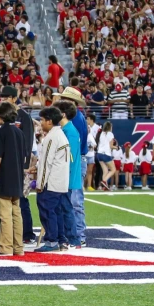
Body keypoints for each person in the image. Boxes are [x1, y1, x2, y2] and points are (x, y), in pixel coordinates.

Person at [0, 86, 36, 244]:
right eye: (2, 98)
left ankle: (26, 234)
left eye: (7, 97)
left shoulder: (24, 117)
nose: (3, 100)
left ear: (15, 98)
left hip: (20, 165)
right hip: (4, 165)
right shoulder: (1, 114)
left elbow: (27, 143)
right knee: (3, 199)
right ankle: (5, 234)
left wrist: (25, 165)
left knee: (21, 199)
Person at [0, 102, 25, 257]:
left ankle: (6, 247)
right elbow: (24, 156)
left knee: (5, 214)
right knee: (16, 213)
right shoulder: (19, 132)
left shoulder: (1, 132)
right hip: (17, 176)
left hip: (4, 177)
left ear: (0, 116)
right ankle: (18, 247)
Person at [33, 107, 70, 253]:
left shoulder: (51, 137)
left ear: (49, 121)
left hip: (51, 181)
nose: (41, 123)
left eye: (42, 120)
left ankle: (51, 240)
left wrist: (40, 184)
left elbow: (46, 163)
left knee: (47, 211)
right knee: (56, 211)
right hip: (60, 180)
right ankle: (61, 239)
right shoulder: (60, 134)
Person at [53, 101, 82, 249]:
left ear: (62, 114)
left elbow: (68, 157)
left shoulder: (69, 131)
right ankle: (67, 238)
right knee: (63, 207)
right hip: (67, 176)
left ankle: (73, 239)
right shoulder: (68, 129)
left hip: (66, 177)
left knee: (66, 208)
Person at [96, 121, 116, 191]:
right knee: (113, 170)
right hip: (106, 154)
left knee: (105, 171)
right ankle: (104, 181)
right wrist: (117, 147)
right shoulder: (110, 134)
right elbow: (111, 146)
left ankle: (104, 186)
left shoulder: (102, 133)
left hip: (99, 154)